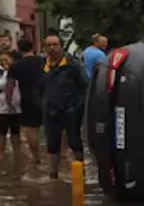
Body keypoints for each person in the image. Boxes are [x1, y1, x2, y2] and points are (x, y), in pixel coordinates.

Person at [41, 34, 87, 179]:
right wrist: (42, 103)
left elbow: (85, 86)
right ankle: (53, 174)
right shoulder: (43, 65)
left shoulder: (72, 65)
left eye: (55, 44)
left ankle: (80, 173)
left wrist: (76, 107)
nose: (52, 48)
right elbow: (38, 87)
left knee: (75, 141)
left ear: (61, 46)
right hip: (50, 111)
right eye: (48, 45)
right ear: (44, 48)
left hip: (70, 110)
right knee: (52, 143)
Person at [9, 39, 44, 175]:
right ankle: (61, 155)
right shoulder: (43, 61)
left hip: (27, 99)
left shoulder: (16, 66)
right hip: (45, 96)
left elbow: (10, 86)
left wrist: (10, 102)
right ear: (33, 47)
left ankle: (36, 158)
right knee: (54, 127)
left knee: (31, 130)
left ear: (19, 49)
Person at [0, 52, 20, 171]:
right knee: (1, 132)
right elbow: (2, 85)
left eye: (6, 60)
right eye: (2, 60)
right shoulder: (2, 73)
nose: (5, 62)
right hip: (2, 108)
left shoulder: (17, 71)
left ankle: (17, 154)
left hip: (16, 107)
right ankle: (1, 153)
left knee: (16, 131)